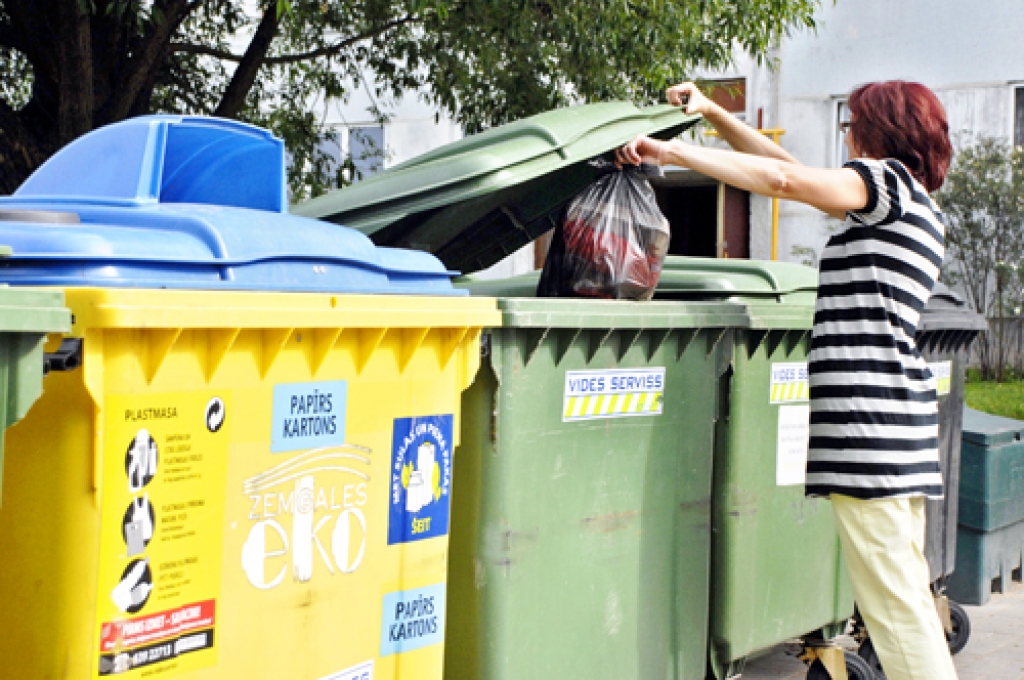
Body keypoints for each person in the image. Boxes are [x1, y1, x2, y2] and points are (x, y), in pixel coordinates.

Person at [617, 80, 956, 680]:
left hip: (868, 426)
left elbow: (781, 183)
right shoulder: (918, 206)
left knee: (895, 612)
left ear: (882, 132)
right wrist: (716, 114)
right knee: (908, 601)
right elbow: (789, 169)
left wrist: (667, 153)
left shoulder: (885, 184)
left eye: (852, 124)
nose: (847, 135)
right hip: (898, 428)